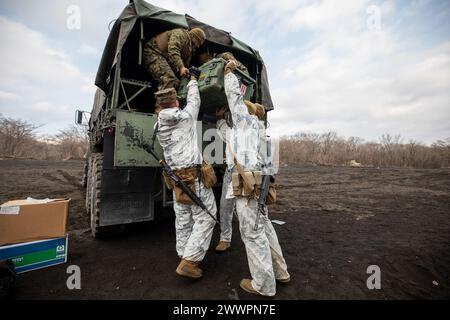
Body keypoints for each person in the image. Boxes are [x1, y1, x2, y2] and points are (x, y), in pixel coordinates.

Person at [223, 60, 290, 296]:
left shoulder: (242, 120)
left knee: (252, 233)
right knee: (266, 228)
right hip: (259, 182)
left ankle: (264, 285)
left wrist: (229, 73)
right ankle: (281, 273)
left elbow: (234, 98)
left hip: (247, 184)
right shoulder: (258, 129)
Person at [154, 74, 217, 279]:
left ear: (160, 107)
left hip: (175, 178)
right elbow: (195, 100)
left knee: (182, 217)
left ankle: (182, 253)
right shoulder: (186, 117)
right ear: (176, 101)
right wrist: (192, 81)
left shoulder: (158, 125)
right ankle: (189, 262)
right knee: (207, 217)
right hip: (193, 177)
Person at [143, 27, 206, 91]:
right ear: (193, 36)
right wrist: (181, 67)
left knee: (177, 84)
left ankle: (170, 100)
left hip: (162, 57)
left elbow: (185, 66)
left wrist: (187, 75)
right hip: (153, 52)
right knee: (169, 80)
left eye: (200, 44)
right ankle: (166, 101)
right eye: (198, 41)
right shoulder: (180, 34)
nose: (198, 46)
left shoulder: (189, 49)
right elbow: (173, 50)